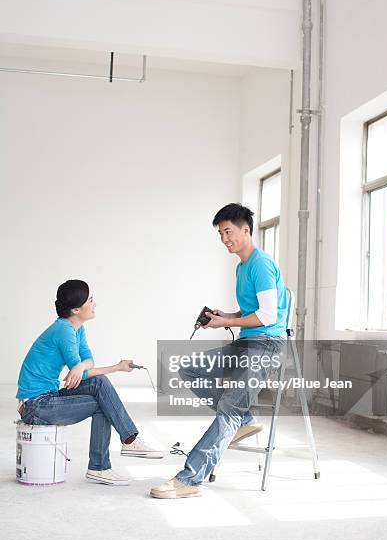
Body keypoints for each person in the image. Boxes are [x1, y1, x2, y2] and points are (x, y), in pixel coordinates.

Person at [150, 203, 289, 499]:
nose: (225, 238)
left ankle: (189, 479)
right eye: (220, 233)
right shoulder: (242, 266)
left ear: (245, 230)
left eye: (228, 231)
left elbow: (268, 317)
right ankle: (245, 418)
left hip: (266, 344)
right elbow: (253, 310)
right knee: (190, 368)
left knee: (228, 409)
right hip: (248, 341)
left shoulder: (261, 264)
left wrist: (227, 321)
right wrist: (227, 315)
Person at [17, 279, 163, 486]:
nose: (95, 303)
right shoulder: (64, 331)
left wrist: (79, 366)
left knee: (100, 384)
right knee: (103, 404)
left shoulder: (77, 328)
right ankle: (103, 464)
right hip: (35, 406)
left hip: (50, 396)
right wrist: (117, 367)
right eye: (91, 299)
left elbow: (89, 362)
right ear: (76, 309)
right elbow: (85, 373)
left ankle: (124, 446)